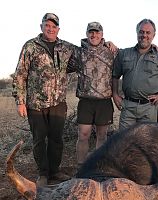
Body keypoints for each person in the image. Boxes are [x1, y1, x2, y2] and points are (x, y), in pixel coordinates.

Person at [12, 13, 75, 187]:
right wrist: (20, 101)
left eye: (54, 26)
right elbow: (20, 74)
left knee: (56, 139)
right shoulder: (30, 46)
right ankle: (43, 174)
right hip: (35, 104)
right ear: (41, 27)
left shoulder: (66, 47)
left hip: (58, 103)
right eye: (47, 25)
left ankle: (54, 171)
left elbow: (86, 52)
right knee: (39, 140)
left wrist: (107, 42)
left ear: (58, 29)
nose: (50, 29)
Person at [112, 18, 158, 130]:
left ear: (154, 35)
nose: (144, 35)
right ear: (137, 33)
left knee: (146, 143)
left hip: (149, 108)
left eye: (148, 32)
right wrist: (115, 94)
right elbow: (115, 75)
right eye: (141, 32)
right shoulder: (124, 53)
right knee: (124, 143)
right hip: (128, 106)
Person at [68, 22, 117, 168]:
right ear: (87, 33)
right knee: (83, 135)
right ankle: (81, 168)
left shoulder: (111, 51)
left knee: (102, 136)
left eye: (97, 32)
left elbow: (131, 56)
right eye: (91, 32)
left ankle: (98, 167)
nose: (93, 35)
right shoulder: (78, 53)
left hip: (104, 102)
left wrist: (154, 48)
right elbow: (61, 66)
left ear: (102, 34)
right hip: (86, 102)